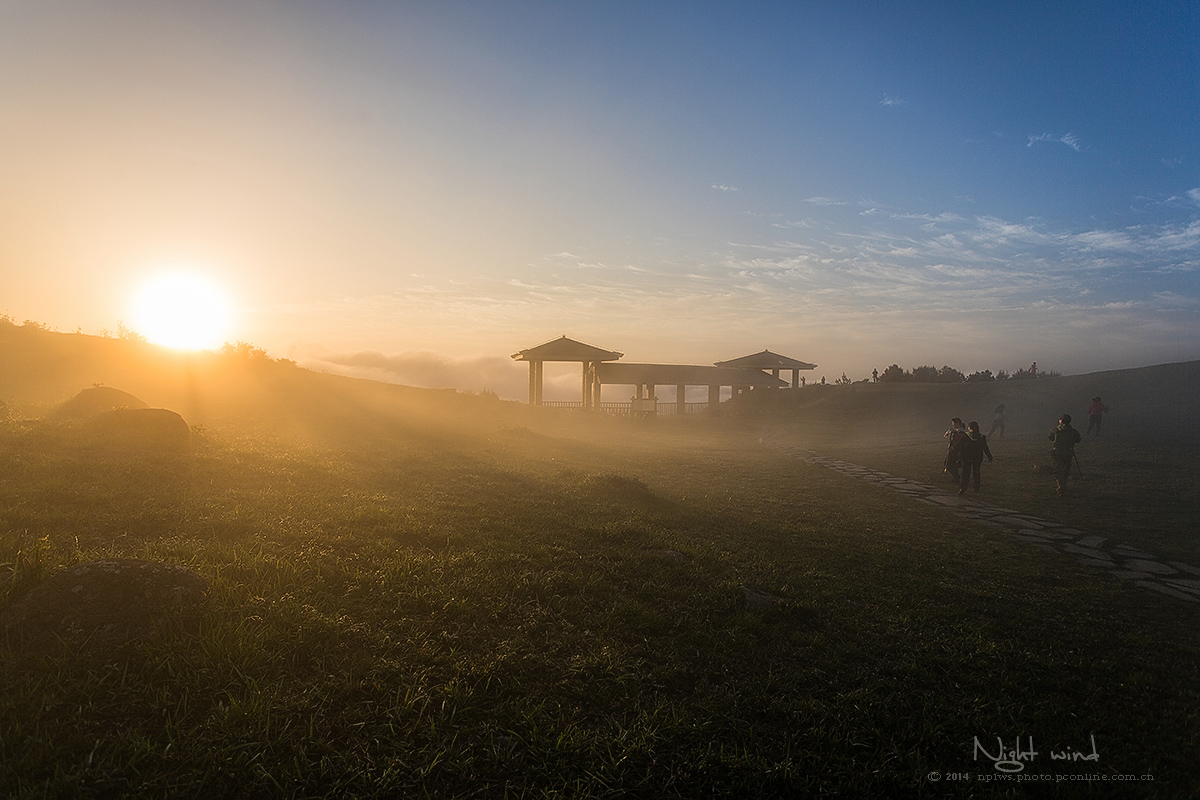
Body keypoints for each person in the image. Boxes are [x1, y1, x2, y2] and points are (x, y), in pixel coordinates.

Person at [1048, 413, 1082, 496]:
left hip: (1057, 453)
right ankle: (1063, 486)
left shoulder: (1055, 430)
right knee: (1065, 470)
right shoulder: (1073, 431)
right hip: (1068, 453)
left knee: (1058, 471)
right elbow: (1078, 440)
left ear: (1061, 421)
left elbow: (1050, 437)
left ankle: (1060, 486)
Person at [957, 421, 994, 495]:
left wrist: (958, 456)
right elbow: (985, 448)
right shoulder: (981, 437)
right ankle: (976, 487)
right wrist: (989, 457)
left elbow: (958, 445)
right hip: (978, 457)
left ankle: (963, 488)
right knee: (976, 472)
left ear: (969, 428)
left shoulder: (965, 436)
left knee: (965, 473)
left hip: (966, 457)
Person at [943, 417, 966, 482]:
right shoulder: (955, 431)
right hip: (952, 449)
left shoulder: (961, 432)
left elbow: (959, 441)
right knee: (949, 463)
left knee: (949, 463)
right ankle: (956, 476)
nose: (953, 425)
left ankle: (956, 476)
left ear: (957, 423)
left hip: (956, 450)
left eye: (953, 423)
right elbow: (946, 436)